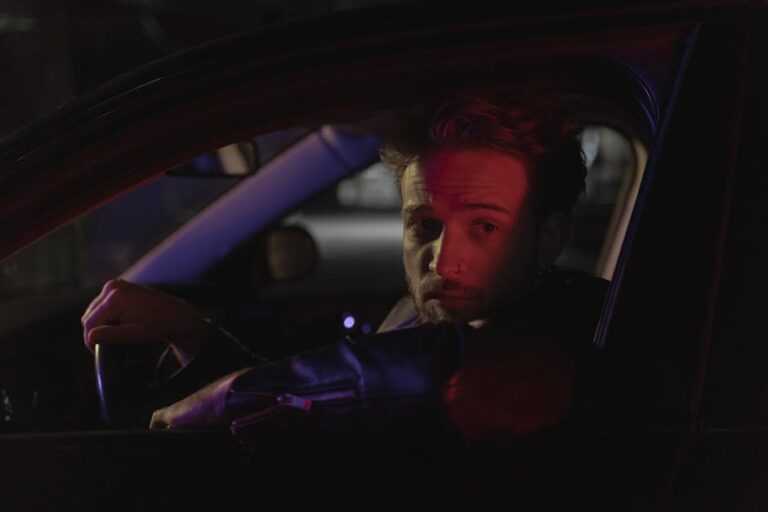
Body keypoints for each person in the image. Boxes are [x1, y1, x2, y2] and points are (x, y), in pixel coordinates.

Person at [81, 92, 606, 443]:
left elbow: (418, 374)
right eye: (424, 225)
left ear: (548, 239)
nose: (444, 257)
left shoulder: (573, 336)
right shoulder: (423, 315)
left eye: (485, 228)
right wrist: (191, 332)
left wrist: (233, 397)